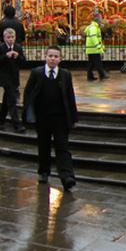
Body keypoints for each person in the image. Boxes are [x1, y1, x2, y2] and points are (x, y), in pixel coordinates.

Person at [22, 45, 78, 191]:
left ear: (60, 59)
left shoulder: (65, 75)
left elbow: (70, 96)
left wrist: (73, 117)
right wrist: (28, 112)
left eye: (56, 56)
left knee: (62, 147)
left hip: (60, 118)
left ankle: (67, 177)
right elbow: (28, 93)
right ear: (45, 57)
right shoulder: (37, 73)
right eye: (50, 56)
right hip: (43, 117)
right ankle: (44, 171)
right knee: (44, 145)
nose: (53, 59)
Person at [0, 27, 25, 131]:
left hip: (14, 76)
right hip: (4, 77)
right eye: (8, 37)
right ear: (4, 38)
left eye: (12, 37)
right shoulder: (0, 48)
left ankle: (0, 119)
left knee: (7, 99)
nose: (10, 39)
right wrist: (6, 56)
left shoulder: (18, 48)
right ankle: (17, 124)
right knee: (12, 100)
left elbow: (23, 61)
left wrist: (18, 56)